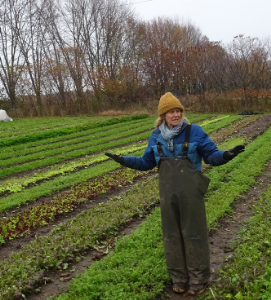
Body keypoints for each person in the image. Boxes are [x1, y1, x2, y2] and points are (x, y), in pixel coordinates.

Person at [105, 92, 245, 295]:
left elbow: (211, 156)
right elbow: (147, 163)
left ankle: (198, 278)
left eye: (178, 110)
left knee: (194, 233)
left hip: (191, 193)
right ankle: (178, 277)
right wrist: (124, 160)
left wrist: (226, 155)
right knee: (171, 235)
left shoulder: (194, 132)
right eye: (171, 111)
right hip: (168, 194)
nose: (176, 114)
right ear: (163, 115)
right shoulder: (156, 137)